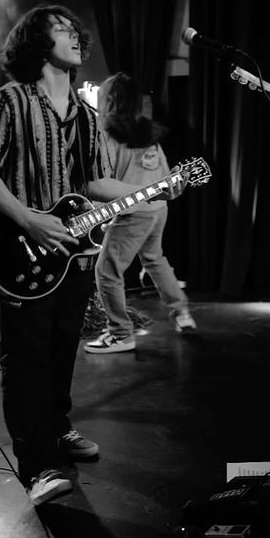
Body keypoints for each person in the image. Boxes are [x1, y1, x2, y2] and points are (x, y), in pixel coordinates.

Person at [0, 4, 184, 506]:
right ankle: (36, 464)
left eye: (76, 31)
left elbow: (95, 183)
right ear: (37, 43)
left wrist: (157, 188)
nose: (75, 37)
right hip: (21, 249)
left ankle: (58, 428)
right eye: (62, 30)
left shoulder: (86, 116)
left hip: (73, 256)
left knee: (64, 348)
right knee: (27, 358)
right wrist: (28, 218)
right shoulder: (12, 100)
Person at [84, 72, 195, 354]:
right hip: (158, 209)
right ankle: (182, 312)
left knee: (106, 271)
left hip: (134, 213)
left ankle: (120, 333)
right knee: (155, 258)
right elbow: (165, 175)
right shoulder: (147, 133)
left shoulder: (108, 133)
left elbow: (102, 181)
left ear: (109, 100)